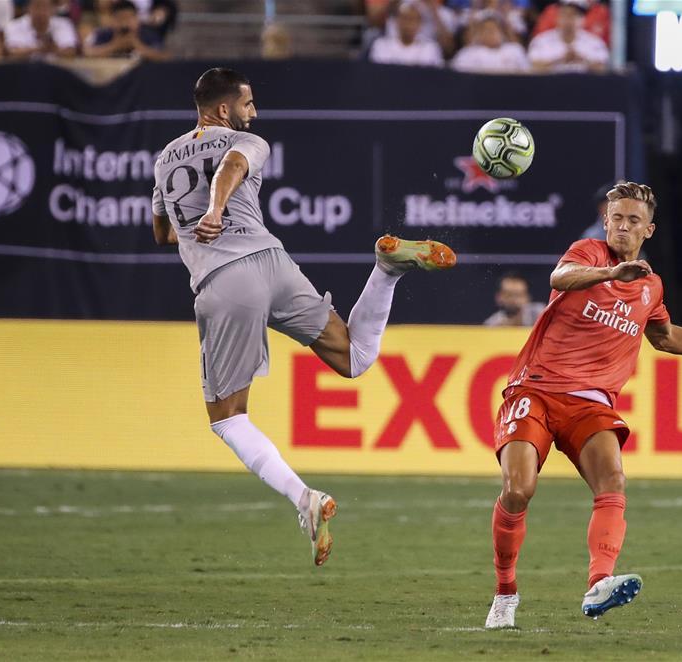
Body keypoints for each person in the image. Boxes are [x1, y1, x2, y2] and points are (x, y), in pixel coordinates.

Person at [151, 68, 456, 567]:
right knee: (354, 357)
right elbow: (230, 163)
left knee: (228, 419)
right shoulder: (248, 142)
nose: (254, 114)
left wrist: (206, 214)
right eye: (248, 105)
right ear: (225, 110)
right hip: (272, 263)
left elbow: (163, 232)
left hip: (225, 284)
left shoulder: (164, 159)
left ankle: (304, 500)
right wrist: (216, 207)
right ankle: (386, 270)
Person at [484, 181, 682, 629]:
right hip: (535, 389)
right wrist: (611, 275)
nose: (622, 226)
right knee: (518, 490)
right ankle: (505, 593)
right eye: (616, 218)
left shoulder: (651, 286)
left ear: (647, 230)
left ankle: (599, 583)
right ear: (605, 221)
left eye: (633, 220)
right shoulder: (590, 254)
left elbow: (667, 337)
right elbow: (560, 278)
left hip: (591, 402)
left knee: (613, 479)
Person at [527, 0, 609, 73]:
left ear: (583, 19)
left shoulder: (594, 42)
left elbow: (603, 69)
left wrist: (582, 59)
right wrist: (559, 60)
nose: (568, 20)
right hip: (550, 87)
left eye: (574, 15)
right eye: (564, 14)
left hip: (584, 87)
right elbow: (534, 68)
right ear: (557, 17)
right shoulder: (541, 40)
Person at [83, 0, 169, 61]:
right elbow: (87, 53)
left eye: (129, 18)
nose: (124, 23)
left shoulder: (148, 35)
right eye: (120, 18)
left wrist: (138, 46)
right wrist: (115, 46)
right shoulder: (103, 34)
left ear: (137, 19)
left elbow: (165, 57)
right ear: (112, 20)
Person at [369, 0, 444, 67]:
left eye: (412, 19)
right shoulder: (381, 46)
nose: (408, 24)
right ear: (396, 21)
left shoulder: (430, 49)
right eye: (404, 19)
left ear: (420, 24)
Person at [450, 11, 529, 74]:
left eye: (494, 28)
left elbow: (526, 75)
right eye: (487, 29)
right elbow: (457, 77)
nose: (491, 32)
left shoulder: (515, 50)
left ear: (501, 32)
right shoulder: (467, 53)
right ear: (479, 33)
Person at [3, 0, 78, 59]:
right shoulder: (14, 25)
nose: (41, 12)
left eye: (45, 7)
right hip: (24, 72)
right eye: (37, 6)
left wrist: (53, 49)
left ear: (53, 9)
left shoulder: (64, 24)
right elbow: (12, 53)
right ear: (28, 8)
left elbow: (71, 52)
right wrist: (40, 49)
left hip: (55, 72)